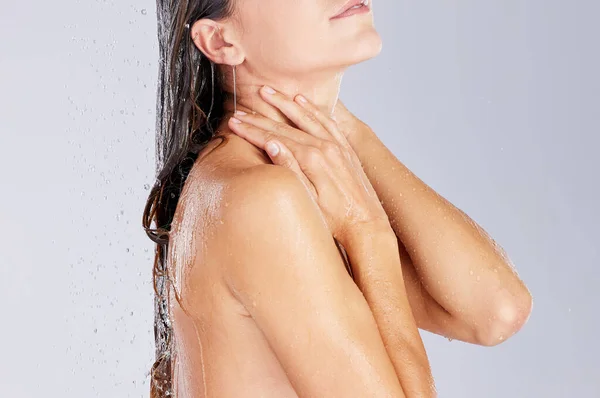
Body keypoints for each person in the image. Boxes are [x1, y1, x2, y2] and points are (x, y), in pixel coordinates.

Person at [142, 0, 533, 397]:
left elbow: (496, 310)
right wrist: (367, 230)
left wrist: (341, 128)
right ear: (220, 41)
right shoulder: (258, 199)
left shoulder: (295, 178)